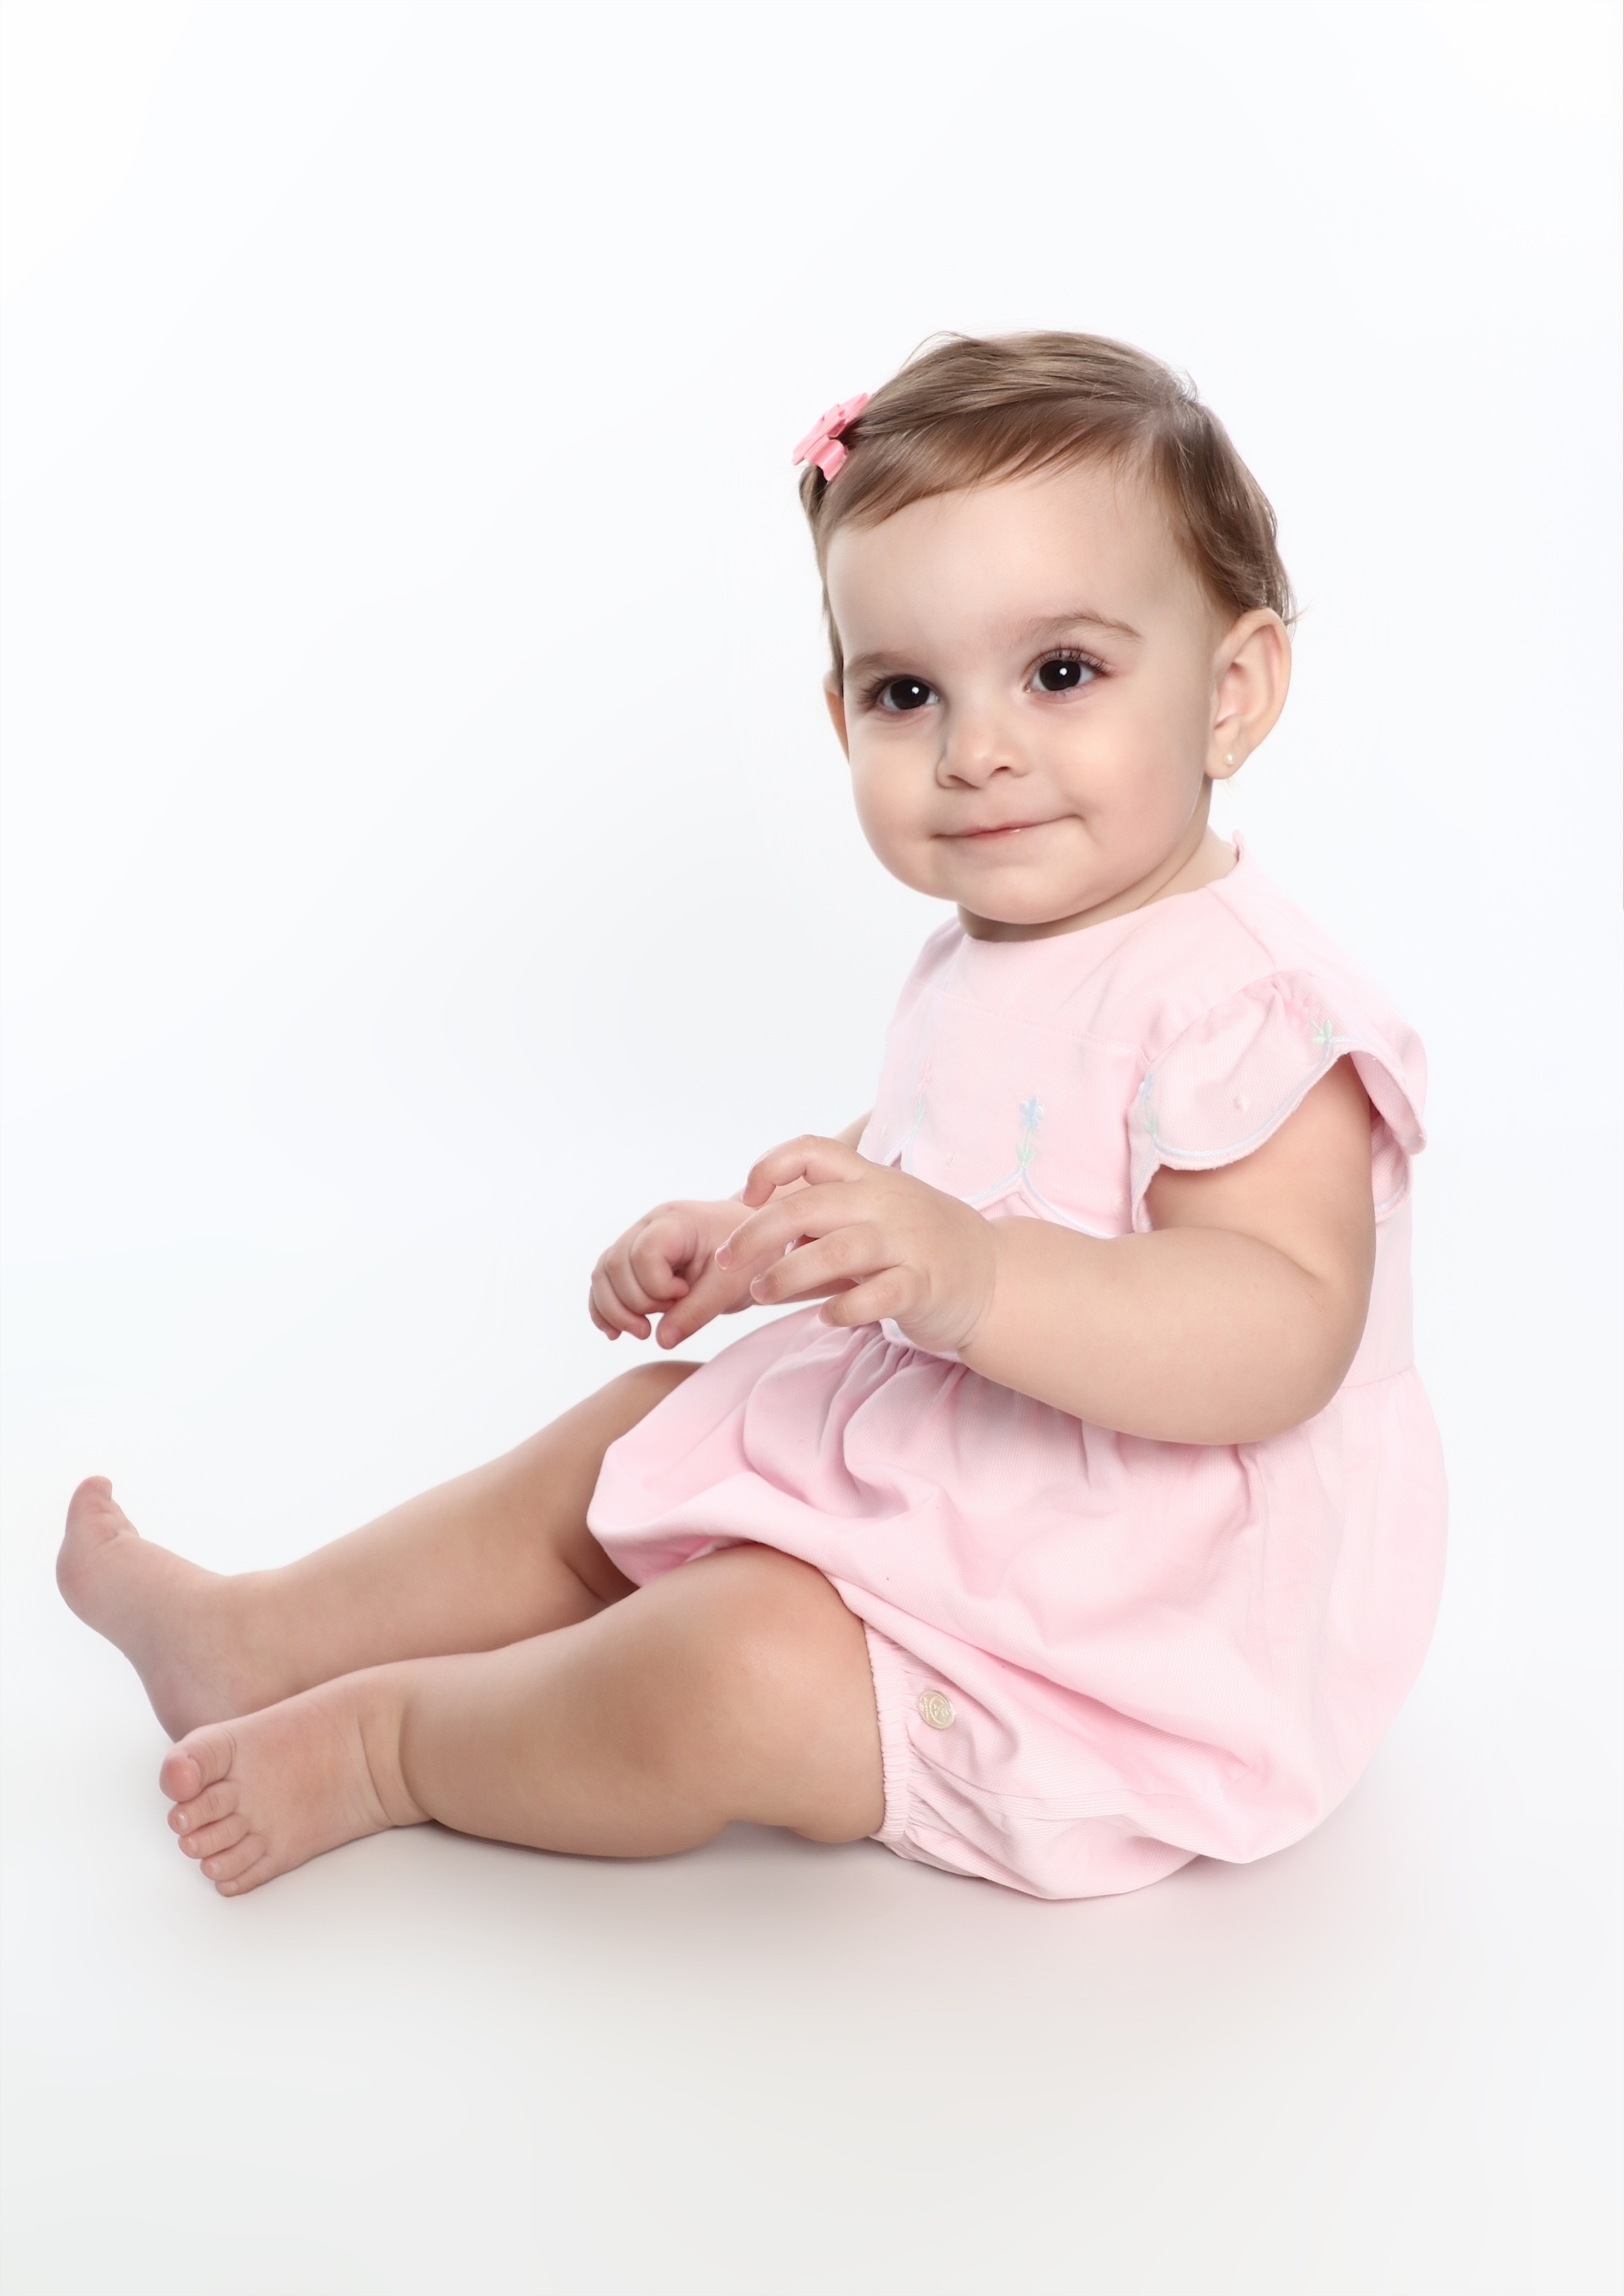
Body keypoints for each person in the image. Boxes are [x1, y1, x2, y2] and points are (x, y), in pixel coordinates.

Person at [57, 333, 1446, 1900]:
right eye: (907, 692)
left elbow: (1280, 1323)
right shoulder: (1001, 941)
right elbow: (955, 1155)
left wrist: (974, 1274)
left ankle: (394, 1746)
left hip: (1128, 1617)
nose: (976, 749)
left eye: (1061, 673)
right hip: (965, 1481)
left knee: (738, 1665)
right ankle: (257, 1637)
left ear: (1232, 692)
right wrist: (768, 1230)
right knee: (636, 1435)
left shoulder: (1249, 1006)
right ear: (841, 714)